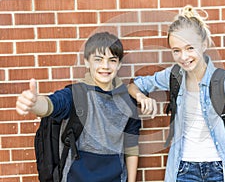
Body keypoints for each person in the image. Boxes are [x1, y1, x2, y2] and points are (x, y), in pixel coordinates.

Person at [127, 5, 225, 182]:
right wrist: (142, 96)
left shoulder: (222, 79)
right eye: (176, 50)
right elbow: (135, 85)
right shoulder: (173, 76)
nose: (183, 56)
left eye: (190, 48)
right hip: (183, 169)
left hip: (220, 170)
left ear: (204, 44)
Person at [16, 32, 141, 182]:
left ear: (119, 64)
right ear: (87, 62)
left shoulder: (128, 102)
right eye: (98, 59)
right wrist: (35, 104)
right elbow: (53, 104)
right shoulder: (75, 95)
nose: (105, 66)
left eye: (112, 60)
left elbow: (131, 146)